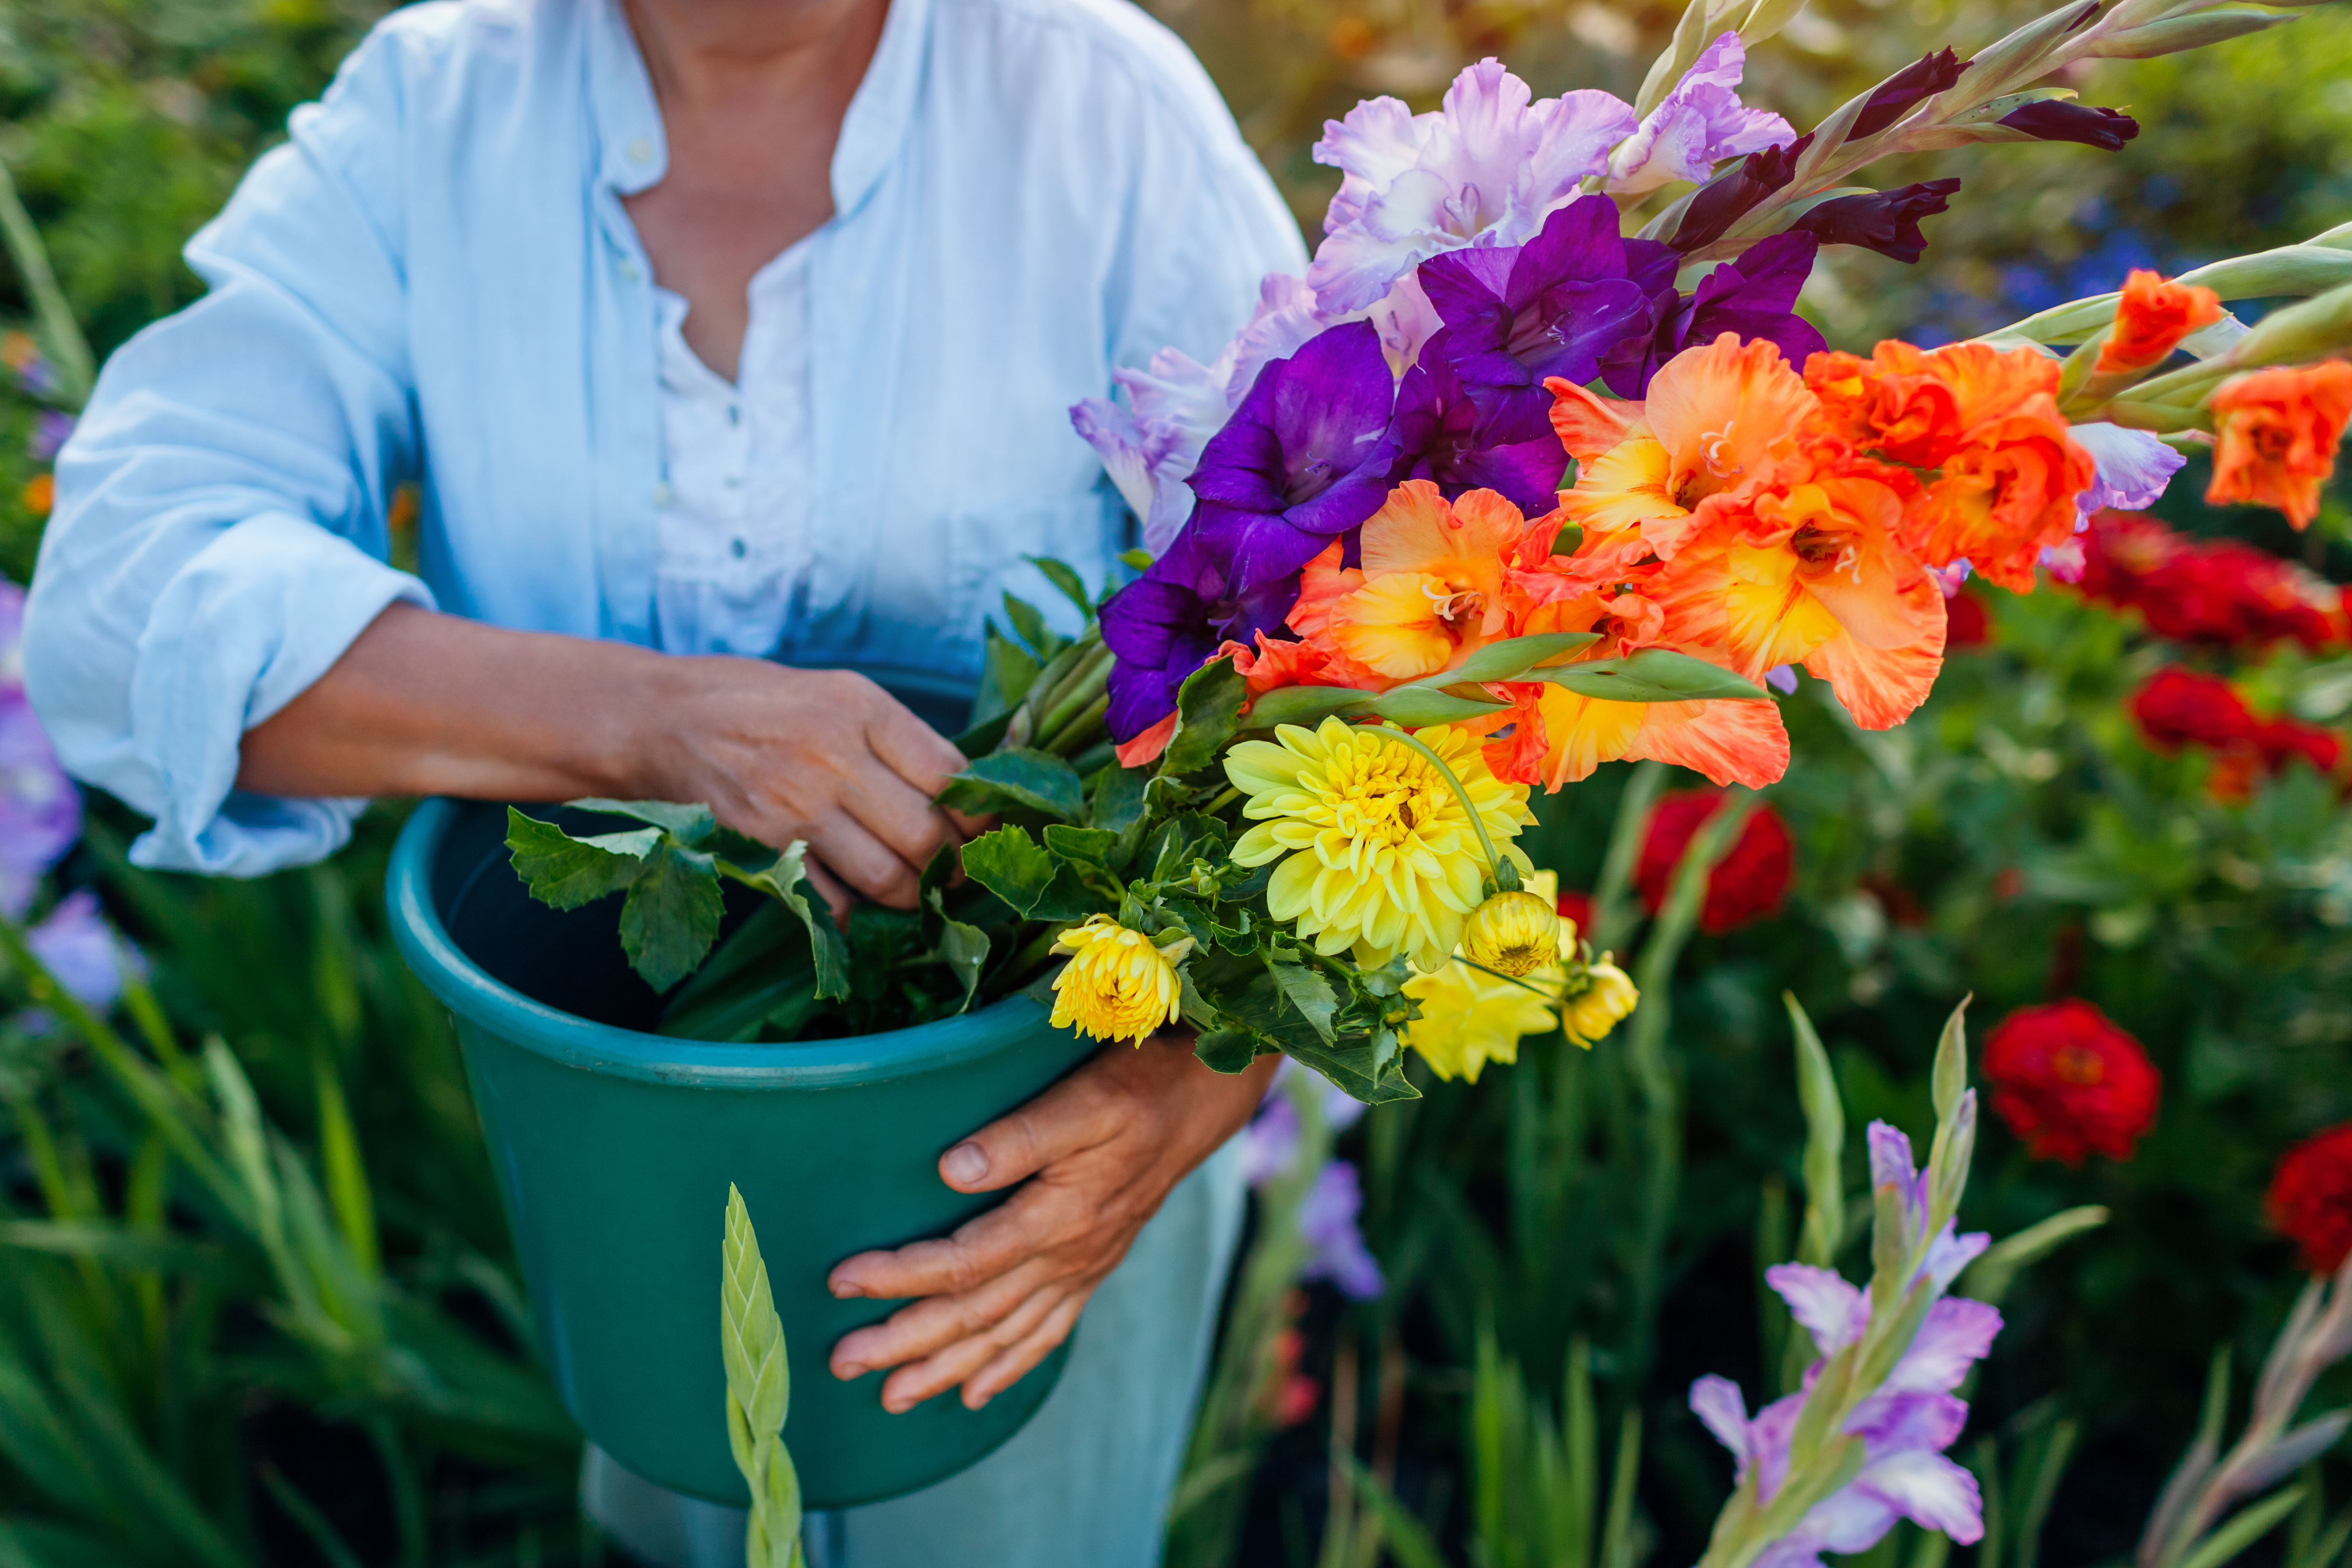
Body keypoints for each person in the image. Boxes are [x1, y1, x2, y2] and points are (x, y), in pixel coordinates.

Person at [21, 0, 1304, 1561]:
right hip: (625, 1136)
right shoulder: (437, 111)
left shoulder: (1101, 113)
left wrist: (1194, 1081)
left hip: (1032, 1157)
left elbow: (1359, 632)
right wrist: (656, 719)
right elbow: (121, 595)